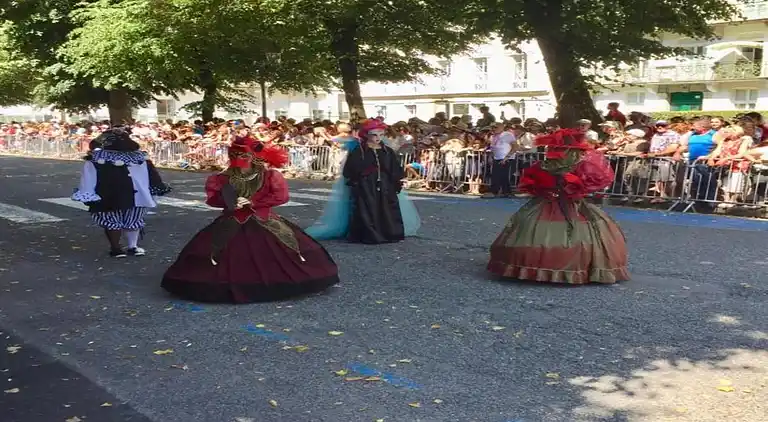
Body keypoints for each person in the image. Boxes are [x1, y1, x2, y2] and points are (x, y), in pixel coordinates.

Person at [161, 137, 339, 303]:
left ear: (253, 157)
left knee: (281, 250)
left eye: (243, 155)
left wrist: (253, 202)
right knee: (222, 252)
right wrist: (230, 202)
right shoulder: (222, 178)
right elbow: (213, 199)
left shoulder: (269, 175)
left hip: (264, 220)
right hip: (232, 221)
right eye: (234, 155)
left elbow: (280, 196)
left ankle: (274, 283)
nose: (238, 159)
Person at [487, 128, 630, 284]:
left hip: (544, 204)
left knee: (532, 233)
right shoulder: (580, 168)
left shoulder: (540, 166)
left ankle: (531, 266)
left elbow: (532, 186)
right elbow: (590, 186)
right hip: (570, 205)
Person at [305, 119, 420, 243]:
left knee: (386, 207)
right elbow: (351, 168)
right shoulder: (360, 150)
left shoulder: (387, 151)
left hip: (385, 184)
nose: (378, 138)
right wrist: (359, 178)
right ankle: (370, 234)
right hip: (366, 184)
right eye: (374, 135)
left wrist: (395, 180)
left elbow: (394, 167)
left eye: (381, 135)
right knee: (367, 208)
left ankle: (389, 232)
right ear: (366, 135)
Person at [71, 127, 171, 258]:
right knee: (133, 219)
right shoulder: (139, 157)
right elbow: (152, 176)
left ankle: (116, 248)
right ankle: (132, 246)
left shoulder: (96, 158)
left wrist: (88, 192)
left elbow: (88, 177)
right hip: (137, 194)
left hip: (107, 193)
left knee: (112, 220)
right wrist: (154, 188)